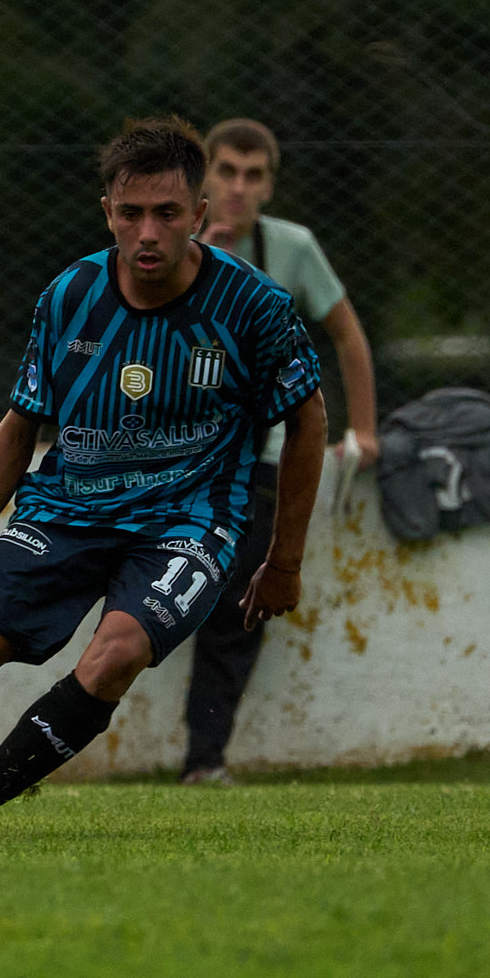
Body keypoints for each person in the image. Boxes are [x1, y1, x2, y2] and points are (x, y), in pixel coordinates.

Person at [0, 117, 325, 838]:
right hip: (66, 511)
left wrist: (284, 560)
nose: (147, 233)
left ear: (199, 215)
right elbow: (21, 425)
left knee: (116, 654)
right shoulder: (69, 296)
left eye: (167, 214)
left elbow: (309, 419)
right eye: (130, 213)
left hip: (190, 520)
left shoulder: (253, 305)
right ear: (107, 212)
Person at [179, 117, 378, 785]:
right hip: (172, 452)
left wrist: (364, 430)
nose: (239, 187)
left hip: (262, 453)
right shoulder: (168, 244)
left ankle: (204, 761)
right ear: (204, 177)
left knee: (240, 602)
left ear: (269, 185)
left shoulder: (292, 248)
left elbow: (347, 335)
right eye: (227, 172)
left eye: (253, 175)